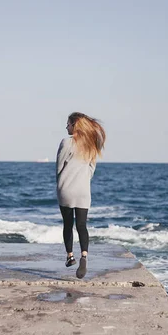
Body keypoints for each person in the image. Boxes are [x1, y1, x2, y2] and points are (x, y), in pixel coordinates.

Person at [56, 112, 106, 279]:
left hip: (67, 189)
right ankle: (84, 255)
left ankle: (70, 256)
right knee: (82, 225)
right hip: (84, 191)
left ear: (74, 125)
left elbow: (59, 167)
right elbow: (91, 170)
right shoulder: (91, 145)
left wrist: (61, 183)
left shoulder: (66, 142)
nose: (66, 127)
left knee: (68, 224)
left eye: (68, 124)